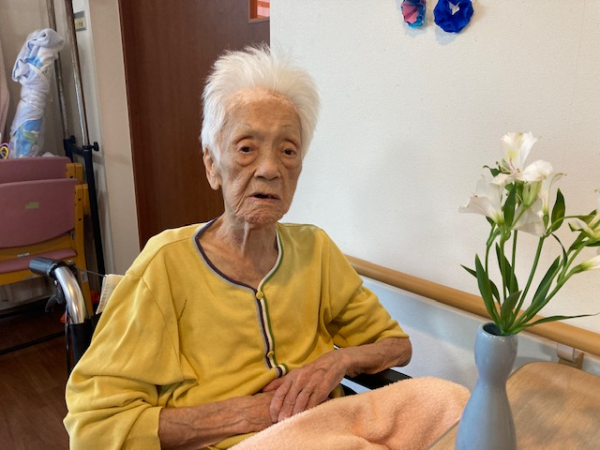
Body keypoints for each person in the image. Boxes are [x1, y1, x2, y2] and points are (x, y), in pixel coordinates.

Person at [64, 45, 412, 450]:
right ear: (212, 164)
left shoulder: (315, 249)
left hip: (331, 428)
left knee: (444, 400)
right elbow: (93, 423)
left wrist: (339, 360)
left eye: (288, 150)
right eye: (246, 148)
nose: (269, 169)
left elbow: (397, 346)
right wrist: (249, 415)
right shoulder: (165, 266)